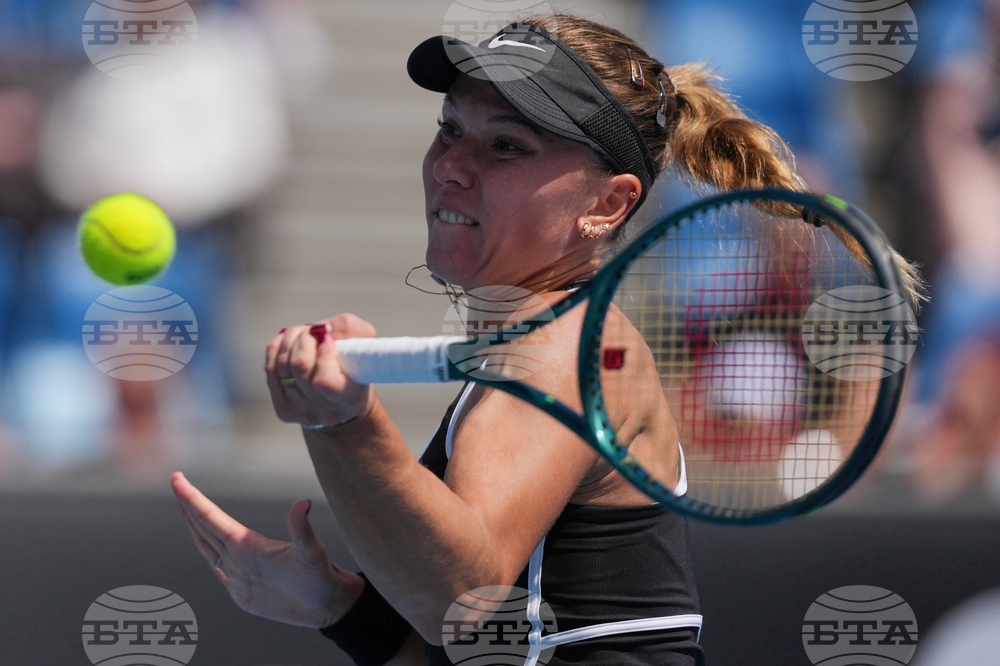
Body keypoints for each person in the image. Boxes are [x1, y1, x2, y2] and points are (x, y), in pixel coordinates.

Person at [170, 13, 919, 665]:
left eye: (506, 147)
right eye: (451, 129)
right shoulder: (532, 351)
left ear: (607, 205)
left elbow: (461, 601)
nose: (453, 167)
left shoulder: (573, 350)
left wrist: (345, 423)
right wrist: (340, 608)